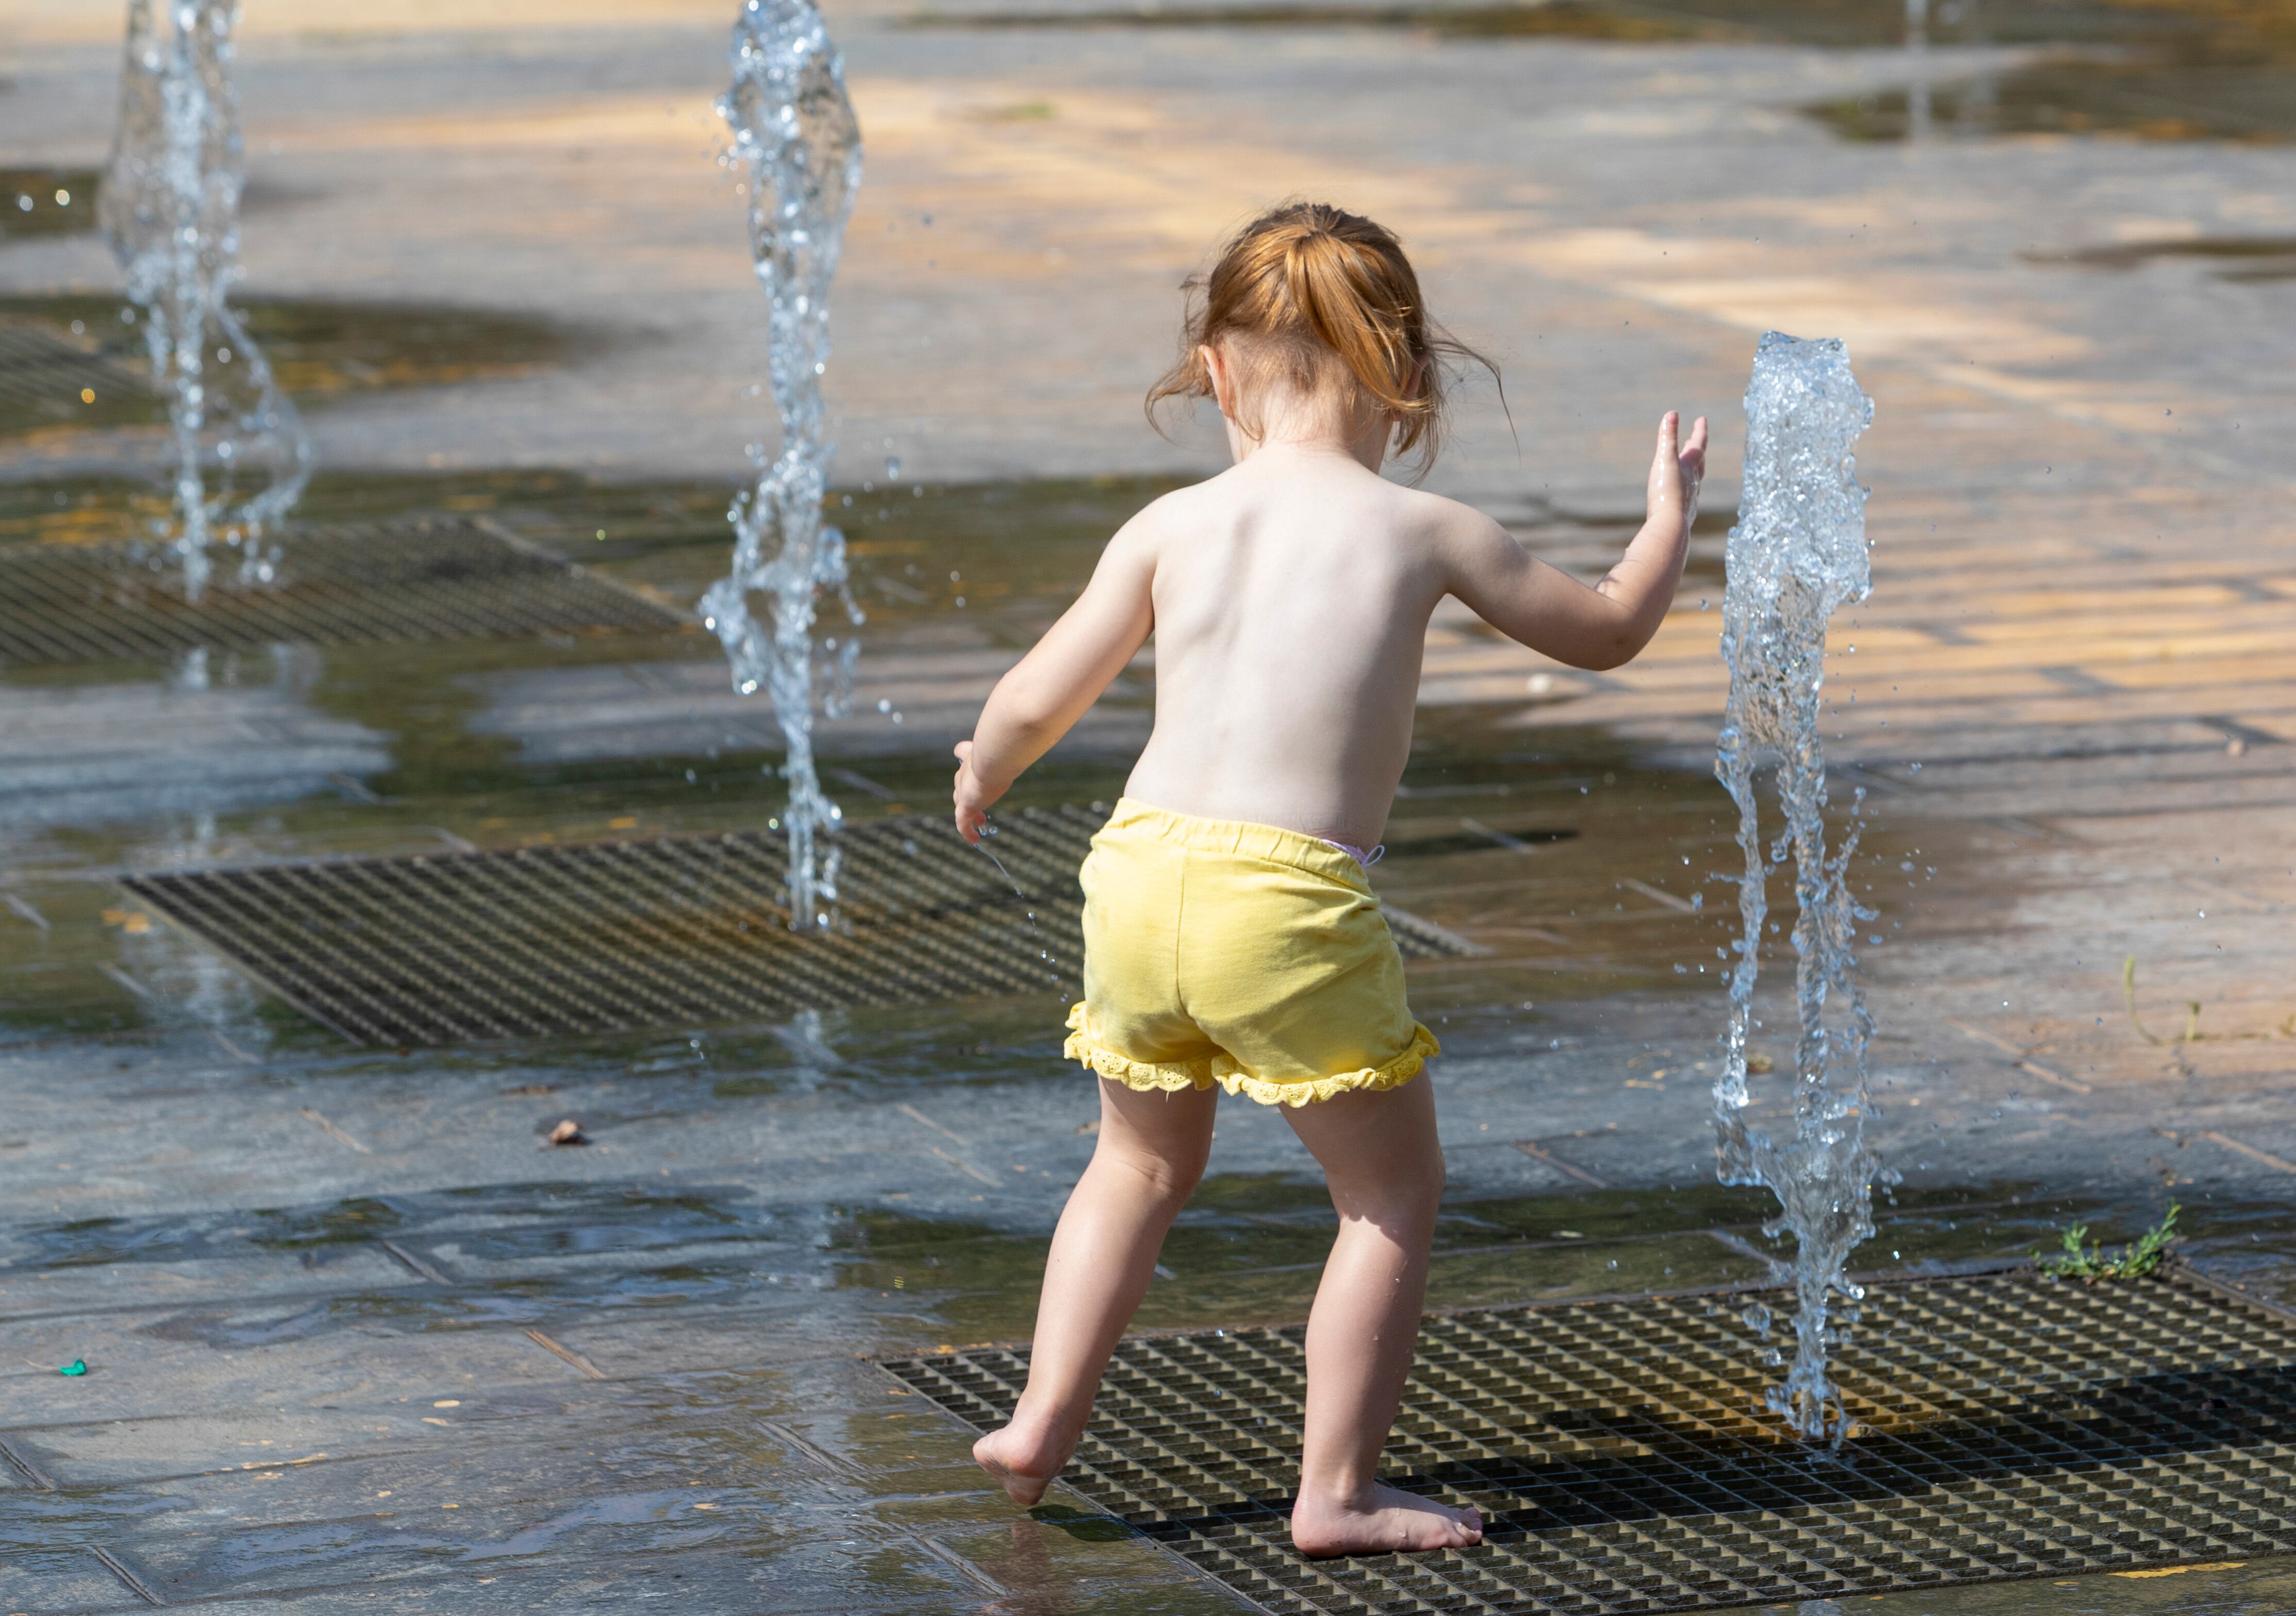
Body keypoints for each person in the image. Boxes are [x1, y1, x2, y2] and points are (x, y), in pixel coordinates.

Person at [950, 201, 1706, 1557]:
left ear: (1217, 373)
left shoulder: (1169, 526)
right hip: (1286, 904)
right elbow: (1609, 632)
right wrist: (1668, 517)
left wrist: (983, 774)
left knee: (1131, 1165)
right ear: (1408, 379)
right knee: (1387, 1200)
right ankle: (1337, 1494)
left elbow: (1032, 697)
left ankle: (1040, 1422)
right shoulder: (1424, 532)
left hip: (1133, 875)